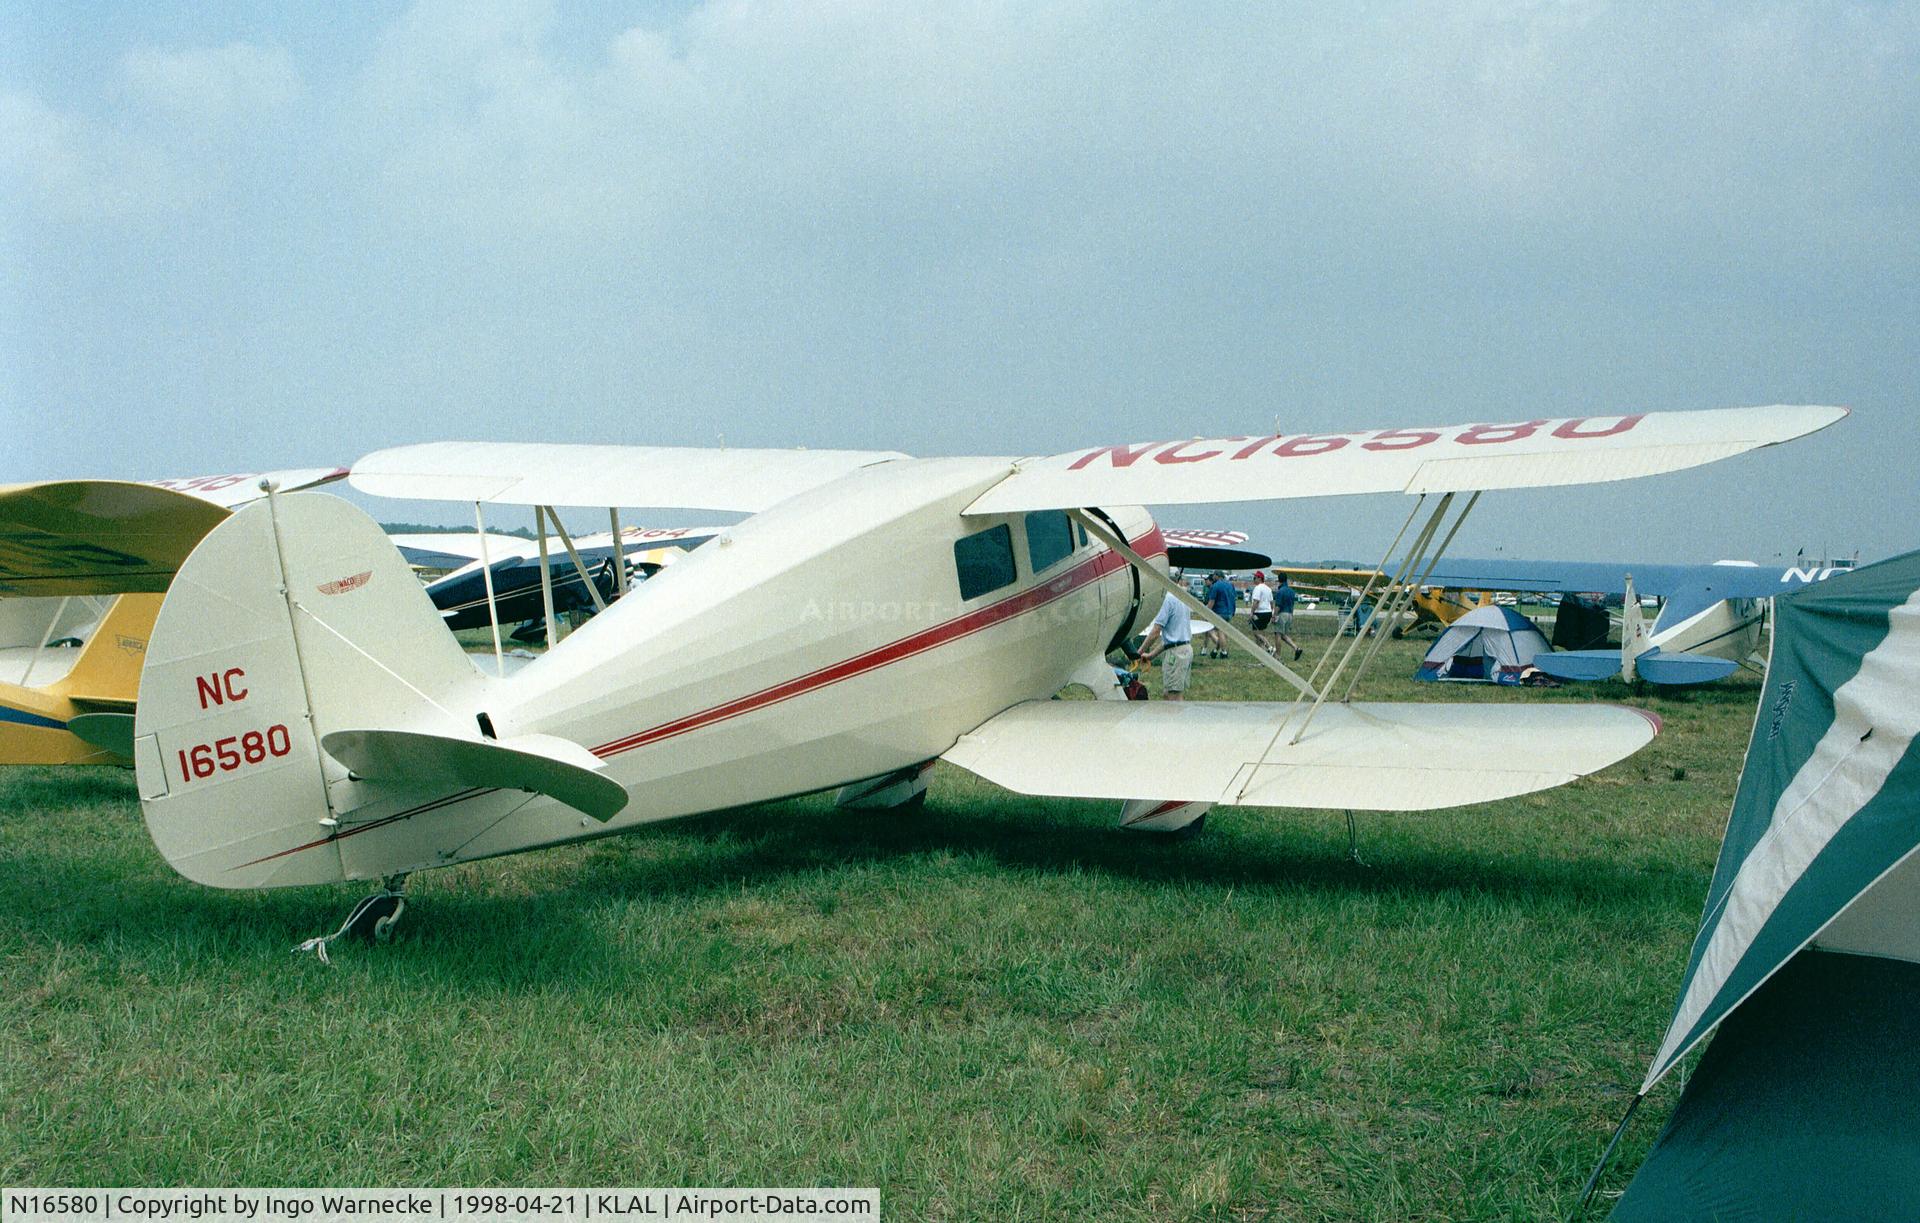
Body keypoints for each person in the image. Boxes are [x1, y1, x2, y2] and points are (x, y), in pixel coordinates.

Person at [1135, 590, 1193, 700]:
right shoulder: (1179, 597)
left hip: (1176, 654)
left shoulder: (1167, 600)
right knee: (1171, 694)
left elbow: (1155, 632)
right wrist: (1151, 655)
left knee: (1172, 696)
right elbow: (1170, 639)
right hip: (1183, 650)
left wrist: (1138, 653)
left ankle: (1176, 717)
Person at [1204, 570, 1237, 658]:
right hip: (1229, 612)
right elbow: (1234, 599)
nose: (1213, 577)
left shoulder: (1215, 586)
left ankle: (1224, 652)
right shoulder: (1230, 585)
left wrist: (1206, 613)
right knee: (1223, 632)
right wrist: (1233, 611)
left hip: (1219, 612)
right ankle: (1215, 650)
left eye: (1214, 575)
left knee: (1211, 630)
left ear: (1217, 576)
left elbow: (1211, 602)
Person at [1272, 572, 1302, 660]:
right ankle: (1296, 648)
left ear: (1279, 580)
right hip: (1290, 614)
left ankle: (1278, 655)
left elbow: (1278, 605)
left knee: (1277, 634)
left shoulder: (1280, 591)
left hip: (1282, 614)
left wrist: (1274, 615)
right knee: (1283, 635)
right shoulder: (1291, 591)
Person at [1248, 571, 1274, 651]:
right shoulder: (1268, 588)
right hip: (1268, 612)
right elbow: (1271, 602)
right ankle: (1262, 654)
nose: (1253, 579)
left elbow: (1256, 601)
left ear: (1259, 578)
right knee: (1261, 633)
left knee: (1256, 632)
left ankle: (1270, 647)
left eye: (1255, 578)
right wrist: (1271, 612)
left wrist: (1251, 613)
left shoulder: (1258, 588)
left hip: (1259, 613)